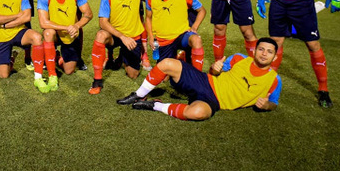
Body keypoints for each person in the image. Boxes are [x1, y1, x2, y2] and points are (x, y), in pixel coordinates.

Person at [117, 38, 282, 121]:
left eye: (269, 51)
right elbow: (212, 72)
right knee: (167, 63)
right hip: (206, 81)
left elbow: (273, 103)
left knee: (197, 113)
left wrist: (267, 105)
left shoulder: (274, 80)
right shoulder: (239, 59)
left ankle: (156, 105)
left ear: (275, 57)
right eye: (261, 49)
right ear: (255, 51)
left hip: (214, 101)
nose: (264, 54)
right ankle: (139, 94)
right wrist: (215, 69)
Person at [88, 0, 147, 95]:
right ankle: (97, 80)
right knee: (101, 35)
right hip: (115, 36)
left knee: (133, 74)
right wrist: (122, 37)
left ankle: (121, 56)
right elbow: (102, 22)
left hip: (132, 36)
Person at [37, 0, 93, 90]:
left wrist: (76, 26)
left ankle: (55, 56)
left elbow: (88, 14)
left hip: (70, 34)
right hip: (56, 33)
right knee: (47, 33)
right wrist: (66, 27)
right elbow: (43, 23)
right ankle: (52, 75)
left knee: (69, 71)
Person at [145, 0, 206, 71]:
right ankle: (179, 59)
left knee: (196, 40)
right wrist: (150, 36)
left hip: (181, 35)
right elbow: (148, 18)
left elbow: (202, 11)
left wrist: (194, 27)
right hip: (163, 40)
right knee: (165, 77)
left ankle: (198, 76)